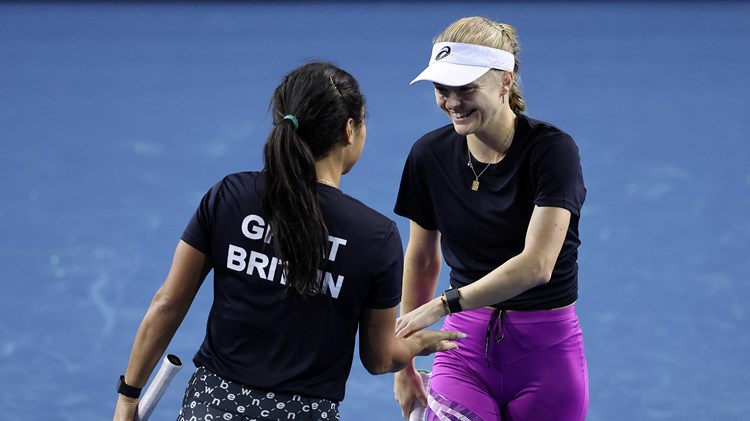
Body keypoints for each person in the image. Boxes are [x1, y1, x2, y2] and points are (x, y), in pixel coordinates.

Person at [112, 61, 465, 421]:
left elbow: (166, 304)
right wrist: (421, 342)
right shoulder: (375, 236)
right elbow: (379, 359)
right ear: (349, 130)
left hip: (210, 408)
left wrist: (128, 397)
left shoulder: (229, 196)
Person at [392, 17, 589, 421]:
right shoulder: (427, 155)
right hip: (460, 350)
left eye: (465, 88)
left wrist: (444, 304)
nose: (451, 101)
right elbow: (423, 257)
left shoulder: (553, 152)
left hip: (546, 355)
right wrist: (406, 360)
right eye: (441, 89)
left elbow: (537, 265)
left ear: (505, 80)